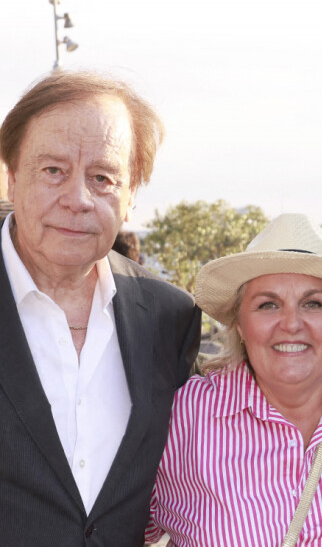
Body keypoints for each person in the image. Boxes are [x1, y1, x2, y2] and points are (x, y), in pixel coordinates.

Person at [0, 70, 201, 546]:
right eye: (54, 171)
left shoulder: (170, 318)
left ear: (131, 195)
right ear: (11, 178)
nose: (78, 200)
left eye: (103, 177)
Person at [145, 213, 322, 546]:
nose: (291, 324)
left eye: (313, 303)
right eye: (267, 305)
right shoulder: (185, 418)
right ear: (239, 324)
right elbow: (120, 529)